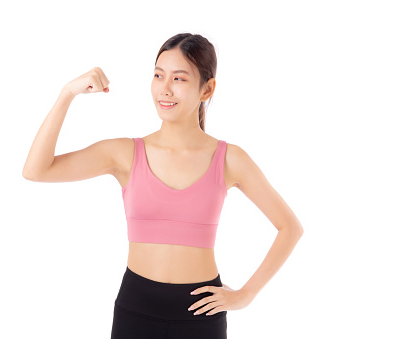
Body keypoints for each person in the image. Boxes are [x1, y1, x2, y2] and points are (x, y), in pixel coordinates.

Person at [22, 32, 304, 339]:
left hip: (201, 315)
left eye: (179, 79)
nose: (164, 89)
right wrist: (67, 93)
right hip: (136, 310)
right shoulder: (125, 153)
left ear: (207, 89)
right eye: (158, 76)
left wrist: (246, 295)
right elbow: (37, 170)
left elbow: (290, 227)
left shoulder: (229, 159)